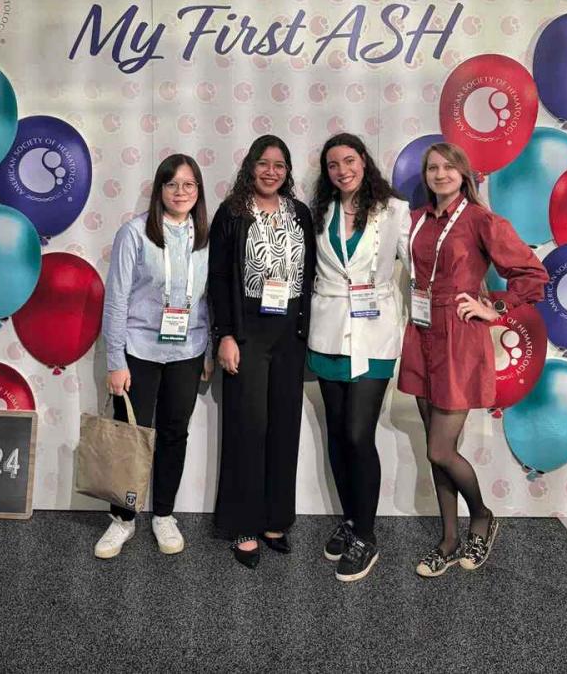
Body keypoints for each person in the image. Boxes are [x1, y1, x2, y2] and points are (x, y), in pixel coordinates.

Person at [398, 141, 549, 578]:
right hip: (421, 332)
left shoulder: (481, 220)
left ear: (464, 174)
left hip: (459, 339)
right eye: (432, 168)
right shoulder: (416, 221)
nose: (440, 174)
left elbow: (533, 274)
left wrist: (494, 308)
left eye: (449, 167)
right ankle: (448, 540)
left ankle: (481, 516)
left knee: (439, 447)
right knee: (438, 452)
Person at [96, 153, 212, 559]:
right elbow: (117, 300)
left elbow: (210, 299)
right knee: (132, 435)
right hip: (139, 349)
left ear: (198, 192)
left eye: (189, 185)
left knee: (174, 433)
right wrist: (116, 360)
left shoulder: (206, 237)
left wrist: (209, 351)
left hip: (188, 350)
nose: (181, 192)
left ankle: (163, 514)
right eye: (172, 184)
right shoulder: (134, 234)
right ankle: (122, 520)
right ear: (159, 190)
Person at [307, 133, 411, 582]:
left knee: (357, 434)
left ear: (364, 162)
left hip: (375, 335)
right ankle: (351, 522)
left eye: (349, 160)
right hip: (328, 332)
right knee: (336, 433)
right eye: (333, 165)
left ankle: (366, 536)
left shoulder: (395, 211)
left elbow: (421, 261)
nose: (342, 170)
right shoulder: (318, 213)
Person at [209, 134, 315, 569]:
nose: (271, 171)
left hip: (289, 332)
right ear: (250, 166)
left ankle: (275, 519)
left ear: (287, 171)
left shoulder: (301, 213)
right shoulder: (231, 212)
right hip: (247, 330)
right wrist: (225, 335)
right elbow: (217, 278)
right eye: (264, 163)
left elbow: (310, 276)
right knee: (246, 428)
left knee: (284, 427)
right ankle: (244, 524)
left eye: (280, 164)